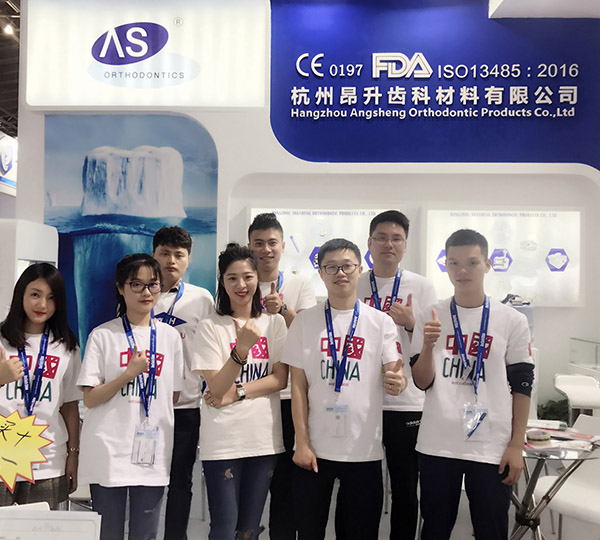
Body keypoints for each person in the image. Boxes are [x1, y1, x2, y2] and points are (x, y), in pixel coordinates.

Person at [411, 229, 534, 540]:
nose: (462, 270)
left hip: (491, 445)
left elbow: (522, 387)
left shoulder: (511, 320)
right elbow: (421, 382)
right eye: (453, 263)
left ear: (488, 265)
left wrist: (516, 444)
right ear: (446, 266)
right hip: (438, 442)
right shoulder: (431, 315)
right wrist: (427, 346)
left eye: (472, 262)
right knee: (435, 528)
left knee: (491, 529)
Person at [284, 238, 407, 540]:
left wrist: (398, 382)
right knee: (309, 531)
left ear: (359, 270)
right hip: (315, 449)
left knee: (359, 533)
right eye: (331, 267)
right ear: (321, 273)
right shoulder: (304, 322)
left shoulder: (380, 322)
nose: (340, 273)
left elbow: (395, 373)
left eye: (347, 266)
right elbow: (297, 386)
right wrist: (302, 442)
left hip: (363, 450)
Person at [77, 253, 183, 540]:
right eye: (136, 284)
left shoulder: (170, 337)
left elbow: (172, 394)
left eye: (153, 284)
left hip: (152, 452)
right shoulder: (102, 335)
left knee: (146, 534)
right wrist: (127, 375)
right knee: (108, 533)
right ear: (120, 288)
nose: (146, 292)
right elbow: (89, 399)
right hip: (109, 451)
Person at [192, 243, 288, 540]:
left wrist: (239, 392)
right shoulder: (210, 326)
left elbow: (280, 379)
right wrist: (241, 350)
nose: (241, 285)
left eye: (247, 277)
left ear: (258, 278)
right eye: (232, 278)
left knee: (249, 529)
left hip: (263, 439)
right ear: (222, 282)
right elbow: (217, 388)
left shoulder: (273, 322)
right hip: (223, 440)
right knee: (223, 527)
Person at [356, 210, 437, 540]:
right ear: (370, 243)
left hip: (406, 402)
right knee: (364, 485)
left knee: (404, 486)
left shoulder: (422, 286)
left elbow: (434, 342)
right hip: (363, 399)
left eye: (396, 238)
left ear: (405, 244)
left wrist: (411, 323)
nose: (388, 244)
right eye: (381, 237)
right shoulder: (355, 282)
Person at [248, 212, 317, 540]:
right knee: (258, 479)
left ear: (283, 245)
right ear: (249, 245)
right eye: (258, 243)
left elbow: (309, 333)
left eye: (272, 242)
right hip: (255, 395)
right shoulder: (242, 283)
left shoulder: (300, 284)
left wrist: (283, 309)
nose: (266, 249)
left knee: (288, 484)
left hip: (291, 395)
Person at [0, 263, 81, 509]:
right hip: (3, 457)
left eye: (51, 297)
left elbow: (69, 406)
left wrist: (73, 455)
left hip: (48, 459)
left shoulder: (66, 346)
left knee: (40, 527)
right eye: (35, 294)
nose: (42, 304)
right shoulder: (2, 340)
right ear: (21, 295)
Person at [152, 226, 213, 540]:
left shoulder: (201, 298)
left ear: (188, 259)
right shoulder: (139, 293)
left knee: (180, 481)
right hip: (144, 405)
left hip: (186, 407)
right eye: (164, 253)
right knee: (145, 480)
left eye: (179, 254)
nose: (171, 261)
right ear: (154, 255)